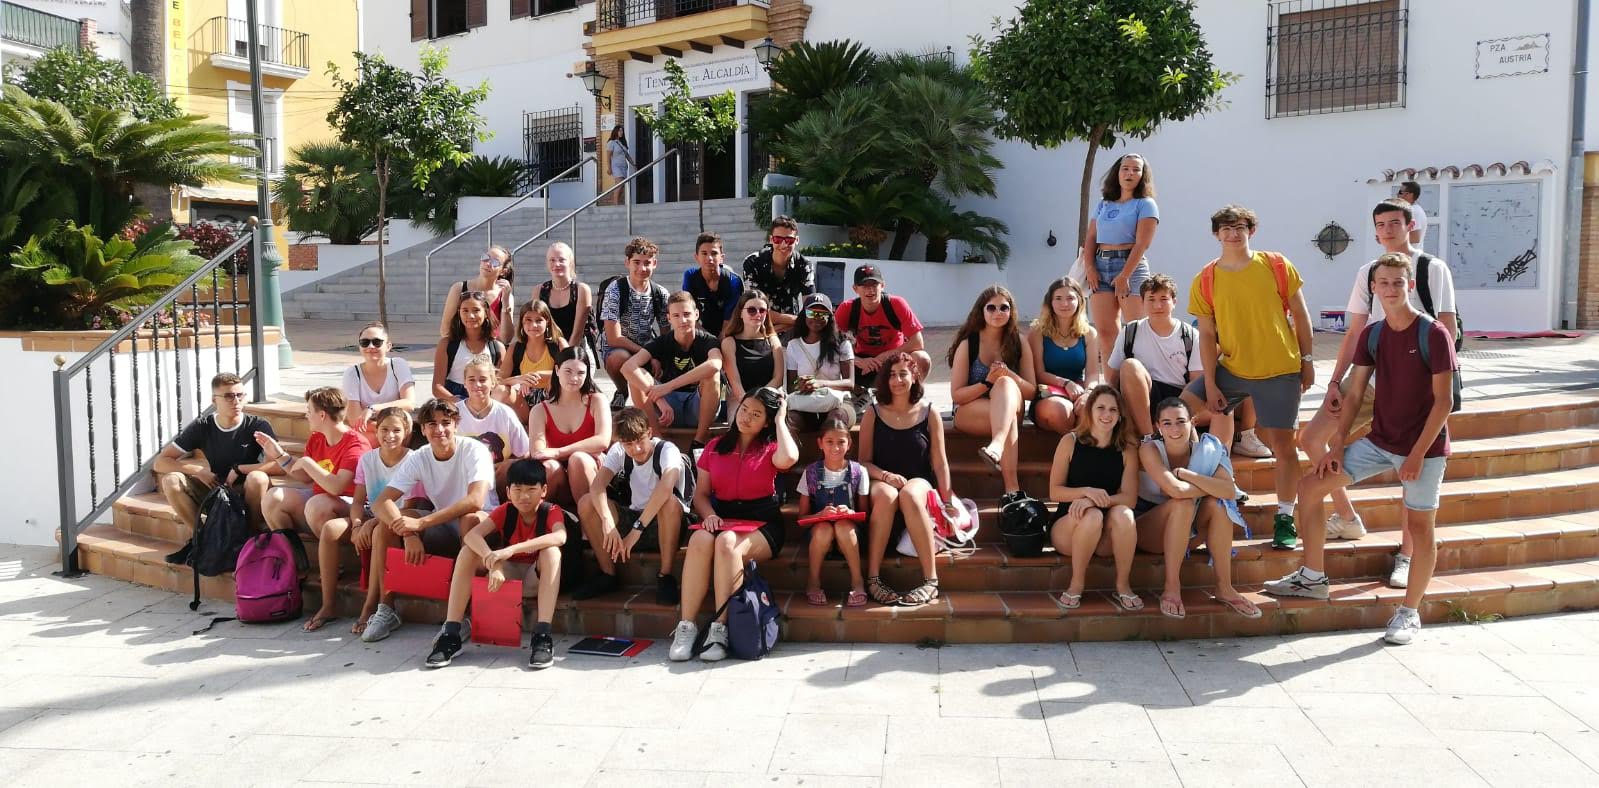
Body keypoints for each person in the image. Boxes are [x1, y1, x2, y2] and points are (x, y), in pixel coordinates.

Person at [1266, 253, 1456, 646]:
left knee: (1421, 528)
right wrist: (1338, 443)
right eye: (1383, 283)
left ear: (1410, 286)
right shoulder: (1374, 334)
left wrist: (1417, 454)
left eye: (1398, 282)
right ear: (1373, 288)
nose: (1390, 289)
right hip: (1380, 440)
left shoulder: (1433, 333)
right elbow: (1354, 395)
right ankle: (1312, 577)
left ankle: (1409, 612)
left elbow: (1444, 402)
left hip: (1424, 448)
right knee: (1309, 487)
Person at [1303, 199, 1458, 586]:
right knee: (1311, 438)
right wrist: (1335, 381)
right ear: (1374, 232)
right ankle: (1347, 517)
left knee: (1412, 476)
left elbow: (1448, 325)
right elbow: (1356, 330)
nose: (1388, 230)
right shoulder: (1368, 272)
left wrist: (1432, 376)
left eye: (1395, 223)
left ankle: (1406, 557)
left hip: (1417, 384)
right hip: (1370, 378)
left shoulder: (1431, 268)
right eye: (1381, 224)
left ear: (1410, 225)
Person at [1181, 204, 1314, 552]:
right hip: (1234, 369)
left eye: (1240, 227)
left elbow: (1301, 314)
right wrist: (1211, 383)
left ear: (1251, 231)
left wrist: (1308, 360)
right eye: (1226, 228)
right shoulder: (1206, 278)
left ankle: (1285, 517)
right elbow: (1206, 335)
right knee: (1180, 409)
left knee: (1284, 446)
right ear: (1216, 235)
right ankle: (1185, 490)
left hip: (1280, 370)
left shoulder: (1276, 264)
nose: (1233, 234)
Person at [669, 388, 799, 662]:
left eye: (756, 414)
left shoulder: (771, 448)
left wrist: (780, 418)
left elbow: (789, 458)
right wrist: (708, 515)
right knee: (700, 539)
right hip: (722, 517)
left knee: (727, 542)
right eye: (744, 409)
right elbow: (701, 495)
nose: (746, 417)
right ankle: (687, 626)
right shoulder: (715, 446)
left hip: (763, 522)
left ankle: (720, 628)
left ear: (766, 421)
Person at [426, 459, 567, 669]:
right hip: (506, 576)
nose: (524, 496)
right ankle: (451, 633)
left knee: (552, 552)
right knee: (467, 551)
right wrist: (494, 564)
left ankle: (542, 636)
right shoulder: (505, 510)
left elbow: (560, 537)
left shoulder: (551, 510)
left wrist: (511, 549)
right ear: (508, 492)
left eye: (531, 489)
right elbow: (472, 536)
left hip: (535, 579)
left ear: (543, 490)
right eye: (518, 490)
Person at [1108, 275, 1270, 456]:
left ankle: (1215, 460)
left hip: (1182, 397)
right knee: (1130, 366)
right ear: (1142, 302)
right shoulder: (1130, 331)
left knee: (1223, 403)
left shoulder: (1191, 335)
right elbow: (1113, 377)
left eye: (1164, 299)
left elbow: (1196, 382)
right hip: (1144, 396)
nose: (1157, 305)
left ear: (1174, 302)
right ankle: (1149, 440)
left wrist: (1176, 415)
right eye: (1151, 299)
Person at [1135, 398, 1261, 620]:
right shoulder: (1149, 448)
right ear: (1158, 427)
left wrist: (1187, 474)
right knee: (1184, 503)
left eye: (1180, 421)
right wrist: (1211, 486)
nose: (1175, 429)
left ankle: (1224, 587)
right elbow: (1175, 490)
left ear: (1192, 422)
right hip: (1149, 531)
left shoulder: (1207, 450)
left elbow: (1228, 491)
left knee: (1217, 505)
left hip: (1187, 532)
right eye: (1167, 423)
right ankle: (1172, 586)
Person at [368, 399, 496, 617]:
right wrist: (408, 533)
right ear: (423, 430)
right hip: (443, 524)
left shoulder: (474, 449)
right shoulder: (420, 456)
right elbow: (381, 502)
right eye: (432, 424)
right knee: (385, 526)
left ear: (456, 425)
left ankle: (464, 614)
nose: (439, 429)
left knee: (470, 519)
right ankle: (386, 609)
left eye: (446, 422)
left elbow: (475, 500)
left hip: (483, 523)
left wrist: (421, 523)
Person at [258, 387, 371, 632]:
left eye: (309, 410)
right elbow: (303, 476)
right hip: (320, 502)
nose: (305, 415)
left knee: (317, 504)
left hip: (352, 507)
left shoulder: (356, 443)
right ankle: (295, 565)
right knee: (273, 499)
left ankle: (335, 563)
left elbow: (337, 485)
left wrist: (308, 463)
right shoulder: (317, 437)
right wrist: (279, 455)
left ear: (322, 415)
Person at [857, 353, 954, 607]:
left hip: (918, 481)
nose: (897, 380)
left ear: (914, 377)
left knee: (910, 493)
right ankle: (873, 579)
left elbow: (940, 462)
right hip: (881, 481)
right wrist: (886, 476)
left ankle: (930, 581)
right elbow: (863, 462)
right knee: (888, 495)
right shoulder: (873, 413)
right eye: (891, 374)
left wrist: (947, 501)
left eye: (903, 374)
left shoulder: (929, 412)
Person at [574, 407, 689, 604]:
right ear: (621, 442)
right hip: (635, 517)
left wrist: (637, 530)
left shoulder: (667, 450)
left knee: (669, 502)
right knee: (587, 503)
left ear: (649, 433)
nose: (636, 449)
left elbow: (666, 488)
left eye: (640, 441)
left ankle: (665, 575)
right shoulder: (619, 451)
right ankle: (608, 573)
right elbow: (597, 486)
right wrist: (607, 522)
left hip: (666, 523)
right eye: (628, 444)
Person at [1049, 385, 1141, 612]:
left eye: (1113, 409)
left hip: (1106, 535)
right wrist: (1086, 491)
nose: (1106, 414)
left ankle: (1123, 585)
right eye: (1100, 408)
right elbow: (1055, 492)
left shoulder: (1127, 449)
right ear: (1089, 411)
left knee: (1124, 513)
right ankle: (1076, 584)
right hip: (1069, 527)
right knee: (1091, 516)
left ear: (1120, 416)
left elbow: (1129, 499)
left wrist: (1093, 500)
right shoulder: (1070, 441)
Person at [343, 407, 429, 642]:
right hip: (375, 515)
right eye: (384, 429)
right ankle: (359, 604)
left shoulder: (413, 459)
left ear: (407, 432)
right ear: (376, 430)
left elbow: (409, 505)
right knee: (342, 530)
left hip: (403, 516)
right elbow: (358, 501)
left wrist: (372, 523)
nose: (390, 435)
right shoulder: (367, 459)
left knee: (381, 530)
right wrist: (357, 525)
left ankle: (373, 604)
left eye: (396, 430)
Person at [153, 372, 279, 533]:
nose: (236, 401)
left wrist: (239, 469)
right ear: (214, 400)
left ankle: (252, 536)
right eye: (229, 396)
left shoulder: (258, 425)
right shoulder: (202, 426)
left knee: (258, 478)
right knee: (171, 480)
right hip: (216, 488)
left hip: (249, 490)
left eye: (240, 395)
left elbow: (278, 465)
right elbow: (160, 463)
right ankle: (201, 537)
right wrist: (197, 470)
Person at [948, 285, 1036, 499]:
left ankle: (996, 445)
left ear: (1011, 311)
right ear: (982, 311)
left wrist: (1008, 374)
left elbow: (1031, 392)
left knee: (1005, 384)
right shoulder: (969, 344)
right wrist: (987, 382)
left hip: (1009, 406)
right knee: (1007, 419)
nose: (998, 312)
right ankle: (1012, 490)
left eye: (1004, 307)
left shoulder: (1019, 342)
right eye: (991, 308)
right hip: (971, 409)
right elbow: (957, 395)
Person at [1081, 153, 1159, 361]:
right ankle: (1112, 381)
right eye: (1125, 168)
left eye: (1136, 169)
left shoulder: (1146, 204)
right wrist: (1090, 268)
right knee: (1106, 334)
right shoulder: (1104, 203)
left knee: (1136, 333)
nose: (1130, 173)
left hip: (1130, 267)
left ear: (1142, 175)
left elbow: (1143, 244)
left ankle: (1137, 378)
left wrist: (1125, 275)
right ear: (1117, 172)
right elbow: (1091, 237)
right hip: (1100, 267)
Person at [622, 291, 723, 450]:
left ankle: (699, 441)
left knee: (712, 376)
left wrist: (667, 387)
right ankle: (657, 439)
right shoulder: (661, 342)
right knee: (636, 378)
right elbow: (627, 367)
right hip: (667, 409)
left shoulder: (708, 340)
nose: (682, 320)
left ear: (696, 314)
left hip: (698, 406)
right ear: (669, 318)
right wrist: (659, 399)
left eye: (687, 314)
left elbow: (715, 365)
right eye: (676, 316)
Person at [799, 419, 871, 608]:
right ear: (820, 443)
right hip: (819, 537)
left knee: (843, 525)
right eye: (829, 442)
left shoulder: (859, 472)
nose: (835, 447)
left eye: (841, 442)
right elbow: (802, 517)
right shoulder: (810, 473)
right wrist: (820, 515)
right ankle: (813, 581)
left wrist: (851, 513)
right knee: (823, 528)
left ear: (849, 443)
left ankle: (857, 581)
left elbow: (864, 515)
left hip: (849, 536)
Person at [528, 348, 612, 507]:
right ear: (557, 370)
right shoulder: (540, 410)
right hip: (558, 477)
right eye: (568, 371)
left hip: (590, 470)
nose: (574, 378)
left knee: (578, 459)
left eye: (581, 373)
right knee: (549, 466)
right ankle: (541, 517)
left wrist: (559, 452)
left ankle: (588, 515)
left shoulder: (597, 401)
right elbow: (538, 453)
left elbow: (602, 441)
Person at [600, 237, 672, 409]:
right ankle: (621, 390)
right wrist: (649, 354)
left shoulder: (660, 293)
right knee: (620, 358)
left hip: (646, 344)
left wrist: (660, 357)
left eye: (647, 263)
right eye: (636, 262)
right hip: (618, 348)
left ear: (655, 264)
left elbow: (666, 333)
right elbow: (614, 338)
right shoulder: (616, 289)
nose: (642, 268)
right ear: (627, 262)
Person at [835, 264, 932, 390]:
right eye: (864, 285)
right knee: (830, 358)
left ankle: (910, 396)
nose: (870, 290)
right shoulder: (847, 308)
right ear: (855, 288)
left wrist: (884, 356)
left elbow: (917, 342)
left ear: (882, 285)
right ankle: (855, 393)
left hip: (894, 360)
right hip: (863, 362)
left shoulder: (896, 304)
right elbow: (831, 343)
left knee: (922, 358)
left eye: (874, 285)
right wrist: (858, 361)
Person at [1027, 276, 1099, 435]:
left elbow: (1093, 374)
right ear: (1050, 302)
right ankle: (1074, 448)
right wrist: (1065, 383)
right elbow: (1038, 373)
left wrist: (1088, 393)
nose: (1064, 304)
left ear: (1080, 301)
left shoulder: (1089, 333)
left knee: (1089, 409)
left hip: (1078, 392)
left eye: (1070, 298)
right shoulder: (1037, 332)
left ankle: (1082, 448)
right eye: (1058, 298)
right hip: (1047, 394)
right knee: (1062, 410)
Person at [455, 358, 530, 495]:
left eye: (483, 379)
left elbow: (524, 453)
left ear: (493, 382)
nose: (477, 384)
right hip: (464, 480)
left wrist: (503, 466)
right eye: (471, 380)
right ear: (464, 383)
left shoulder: (505, 413)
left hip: (498, 479)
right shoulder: (453, 414)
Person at [785, 292, 855, 431]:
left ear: (830, 317)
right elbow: (791, 387)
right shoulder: (794, 345)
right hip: (805, 403)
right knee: (789, 422)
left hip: (837, 403)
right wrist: (801, 385)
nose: (816, 318)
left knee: (835, 422)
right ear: (804, 315)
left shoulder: (842, 343)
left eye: (822, 314)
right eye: (812, 313)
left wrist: (820, 383)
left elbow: (850, 383)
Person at [497, 300, 568, 424]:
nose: (533, 325)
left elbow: (570, 372)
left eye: (539, 320)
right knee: (500, 390)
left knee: (555, 383)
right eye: (528, 320)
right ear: (522, 323)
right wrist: (521, 379)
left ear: (547, 321)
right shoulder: (515, 348)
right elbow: (498, 380)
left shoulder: (558, 344)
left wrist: (537, 376)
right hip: (524, 400)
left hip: (553, 398)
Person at [341, 322, 416, 439]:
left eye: (377, 342)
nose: (370, 346)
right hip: (368, 429)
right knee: (368, 435)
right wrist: (384, 430)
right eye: (365, 342)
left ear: (388, 346)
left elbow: (409, 403)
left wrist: (372, 409)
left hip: (395, 426)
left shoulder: (398, 364)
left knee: (406, 419)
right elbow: (354, 419)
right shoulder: (352, 373)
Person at [741, 215, 814, 331]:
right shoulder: (753, 262)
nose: (784, 245)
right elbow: (755, 309)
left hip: (791, 329)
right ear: (771, 239)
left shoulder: (804, 265)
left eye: (789, 240)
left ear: (797, 240)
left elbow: (810, 309)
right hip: (759, 327)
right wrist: (795, 320)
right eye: (778, 240)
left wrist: (792, 323)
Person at [721, 288, 785, 421]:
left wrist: (760, 399)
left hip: (770, 396)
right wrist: (749, 403)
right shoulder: (729, 343)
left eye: (762, 310)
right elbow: (735, 382)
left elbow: (778, 378)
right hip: (740, 399)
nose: (757, 314)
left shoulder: (773, 340)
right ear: (740, 313)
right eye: (751, 310)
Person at [432, 291, 506, 401]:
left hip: (485, 400)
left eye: (476, 310)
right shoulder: (447, 344)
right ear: (459, 313)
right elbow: (437, 387)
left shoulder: (497, 348)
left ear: (486, 312)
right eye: (465, 310)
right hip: (454, 400)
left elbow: (499, 384)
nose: (470, 316)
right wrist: (460, 403)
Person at [439, 246, 515, 344]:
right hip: (462, 349)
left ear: (503, 271)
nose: (488, 263)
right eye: (486, 258)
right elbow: (445, 330)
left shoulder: (505, 296)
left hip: (491, 351)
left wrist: (505, 305)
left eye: (495, 262)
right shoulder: (459, 288)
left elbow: (506, 339)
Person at [532, 241, 593, 356]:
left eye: (561, 260)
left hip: (577, 350)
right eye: (552, 260)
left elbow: (578, 333)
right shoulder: (538, 290)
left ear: (570, 262)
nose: (557, 264)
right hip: (548, 350)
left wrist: (565, 358)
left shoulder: (582, 290)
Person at [681, 231, 743, 337]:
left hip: (730, 331)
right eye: (704, 253)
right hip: (701, 331)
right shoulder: (690, 277)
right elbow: (688, 314)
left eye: (714, 253)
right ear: (696, 257)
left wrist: (720, 339)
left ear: (722, 257)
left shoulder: (733, 281)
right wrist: (709, 340)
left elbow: (730, 319)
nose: (709, 258)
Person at [1397, 180, 1428, 246]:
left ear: (1409, 195)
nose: (1397, 195)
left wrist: (1391, 238)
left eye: (1400, 192)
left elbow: (1415, 238)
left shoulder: (1412, 211)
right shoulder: (1416, 209)